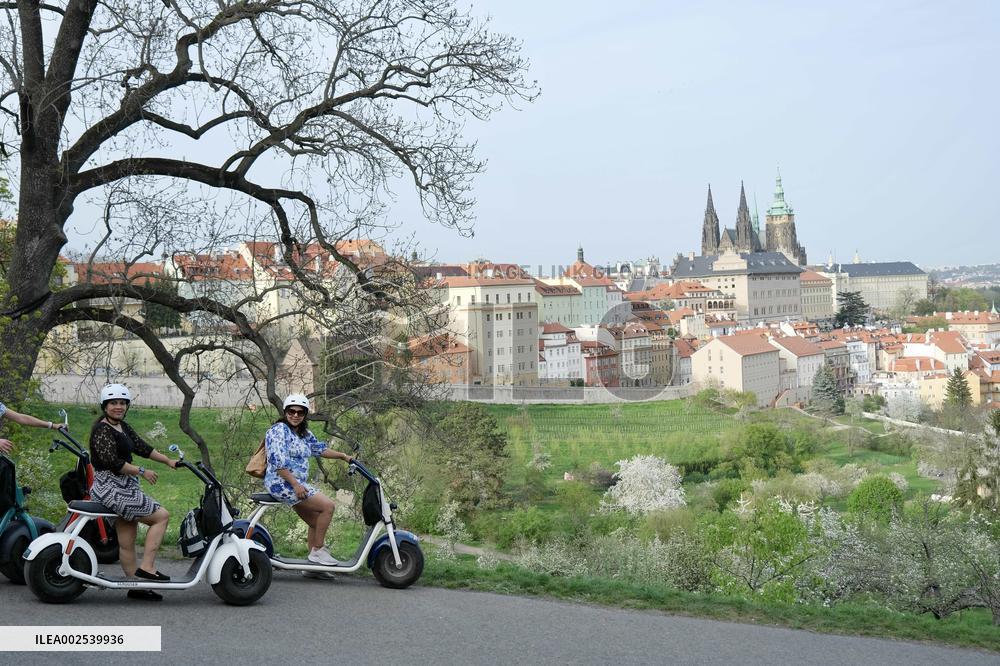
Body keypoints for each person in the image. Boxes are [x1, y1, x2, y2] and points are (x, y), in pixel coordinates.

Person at [88, 384, 176, 601]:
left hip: (122, 486)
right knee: (161, 516)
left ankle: (136, 586)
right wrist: (142, 471)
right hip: (111, 487)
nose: (118, 407)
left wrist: (167, 461)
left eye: (122, 403)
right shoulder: (102, 430)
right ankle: (147, 568)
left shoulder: (122, 427)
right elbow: (113, 462)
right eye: (113, 403)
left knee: (127, 539)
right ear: (105, 406)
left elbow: (142, 447)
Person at [264, 394, 352, 570]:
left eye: (300, 412)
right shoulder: (279, 430)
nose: (295, 415)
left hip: (296, 484)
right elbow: (277, 462)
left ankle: (313, 568)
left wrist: (343, 456)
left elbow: (320, 449)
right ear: (285, 412)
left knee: (315, 521)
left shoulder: (304, 434)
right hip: (281, 482)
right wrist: (296, 485)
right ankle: (318, 550)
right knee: (328, 507)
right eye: (292, 411)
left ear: (305, 414)